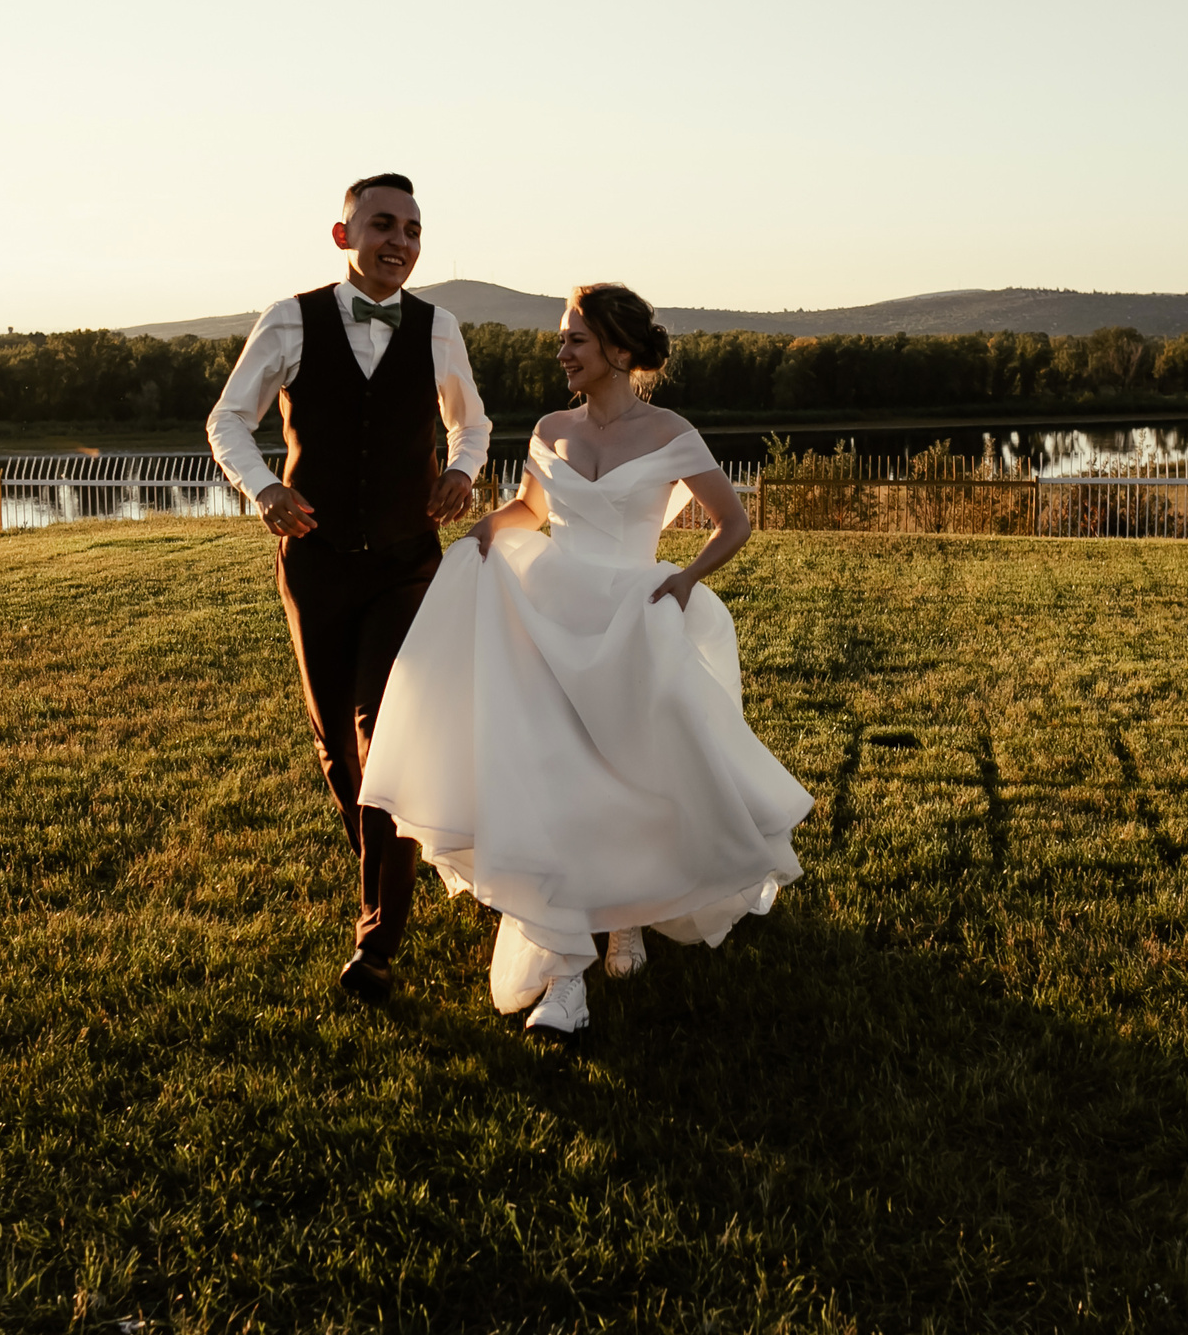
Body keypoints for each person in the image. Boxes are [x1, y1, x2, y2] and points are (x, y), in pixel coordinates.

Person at [358, 283, 812, 1039]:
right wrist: (480, 536)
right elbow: (533, 512)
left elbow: (735, 523)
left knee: (632, 777)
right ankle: (564, 980)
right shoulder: (548, 428)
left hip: (631, 624)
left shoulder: (670, 431)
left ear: (620, 352)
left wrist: (685, 580)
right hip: (547, 619)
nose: (561, 351)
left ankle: (625, 914)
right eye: (562, 338)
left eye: (575, 339)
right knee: (550, 777)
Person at [205, 173, 491, 1004]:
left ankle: (377, 945)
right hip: (318, 561)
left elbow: (468, 422)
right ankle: (386, 871)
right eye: (382, 225)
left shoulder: (439, 329)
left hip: (408, 562)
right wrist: (264, 488)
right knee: (337, 744)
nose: (398, 241)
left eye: (412, 229)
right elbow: (229, 419)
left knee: (383, 733)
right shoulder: (291, 319)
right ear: (344, 236)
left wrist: (464, 472)